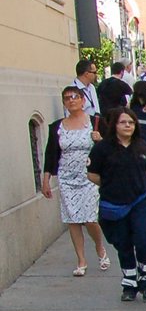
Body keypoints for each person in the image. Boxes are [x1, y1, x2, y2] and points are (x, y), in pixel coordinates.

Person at [87, 106, 146, 302]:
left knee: (144, 239)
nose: (128, 125)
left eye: (131, 122)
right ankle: (129, 283)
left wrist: (135, 181)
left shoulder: (142, 146)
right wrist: (113, 183)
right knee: (123, 244)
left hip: (140, 202)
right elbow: (92, 174)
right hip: (113, 205)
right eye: (123, 122)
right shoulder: (102, 149)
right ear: (114, 125)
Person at [43, 86, 110, 276]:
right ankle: (81, 260)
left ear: (82, 100)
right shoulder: (57, 127)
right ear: (64, 103)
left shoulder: (95, 122)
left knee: (90, 217)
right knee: (72, 219)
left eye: (75, 97)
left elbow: (111, 146)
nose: (71, 100)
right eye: (67, 98)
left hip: (89, 176)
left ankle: (99, 247)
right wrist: (46, 179)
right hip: (66, 176)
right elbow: (51, 155)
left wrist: (100, 139)